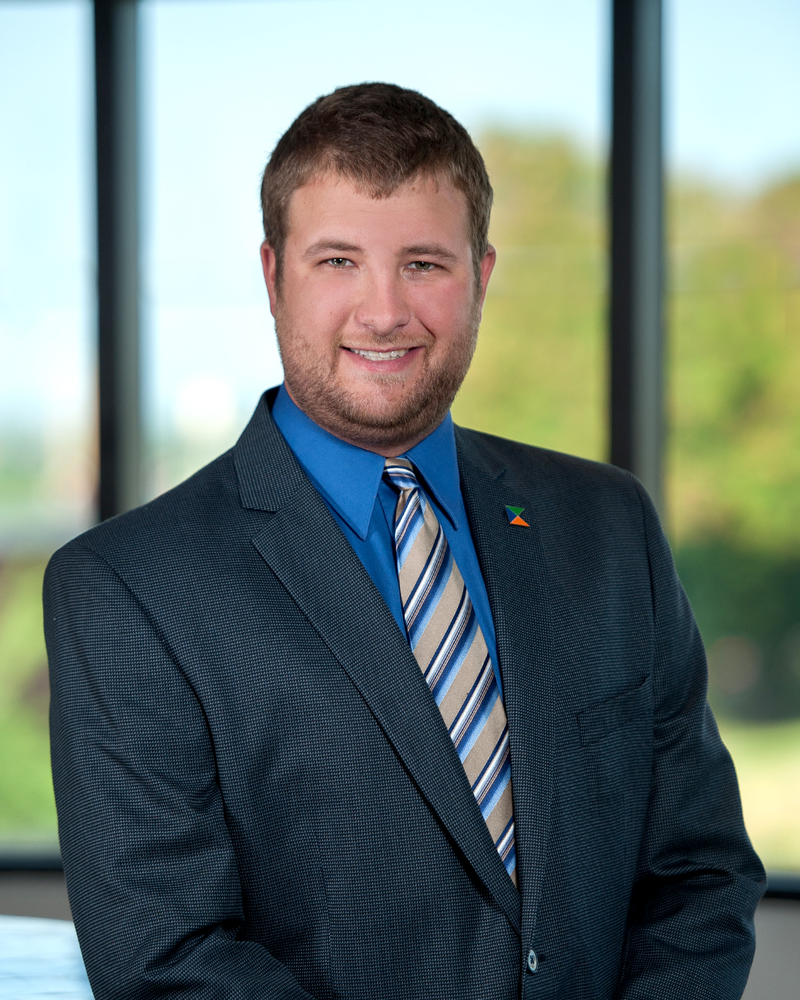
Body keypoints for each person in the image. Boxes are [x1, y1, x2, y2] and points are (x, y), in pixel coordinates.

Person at [45, 82, 765, 1000]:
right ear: (273, 277)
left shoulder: (609, 527)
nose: (384, 312)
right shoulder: (129, 587)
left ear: (483, 276)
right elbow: (170, 959)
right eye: (338, 261)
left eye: (423, 263)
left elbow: (701, 875)